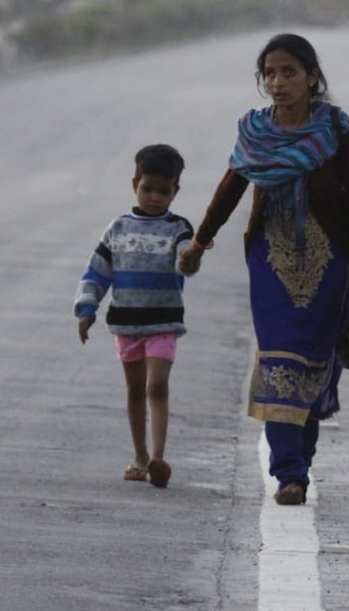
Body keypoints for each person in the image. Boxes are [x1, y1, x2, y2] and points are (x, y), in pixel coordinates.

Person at [179, 33, 349, 506]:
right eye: (269, 73)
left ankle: (300, 462)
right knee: (279, 359)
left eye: (289, 72)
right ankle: (288, 471)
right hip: (270, 259)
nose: (277, 82)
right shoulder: (255, 131)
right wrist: (200, 242)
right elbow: (231, 186)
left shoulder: (335, 127)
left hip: (327, 260)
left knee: (315, 360)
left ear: (312, 77)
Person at [75, 144, 198, 489]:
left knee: (156, 386)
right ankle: (140, 457)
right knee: (134, 391)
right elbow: (96, 272)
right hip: (126, 324)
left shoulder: (178, 229)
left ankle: (159, 457)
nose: (155, 197)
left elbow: (184, 261)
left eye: (164, 191)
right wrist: (87, 309)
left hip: (164, 324)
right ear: (134, 184)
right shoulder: (117, 229)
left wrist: (191, 256)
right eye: (148, 189)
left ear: (176, 191)